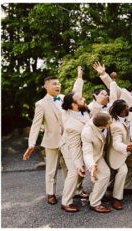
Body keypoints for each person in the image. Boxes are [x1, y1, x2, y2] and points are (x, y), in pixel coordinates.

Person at [23, 75, 69, 205]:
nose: (58, 86)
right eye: (54, 84)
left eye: (59, 83)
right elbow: (36, 125)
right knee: (51, 169)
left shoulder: (65, 98)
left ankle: (74, 190)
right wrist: (31, 144)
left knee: (69, 167)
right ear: (46, 86)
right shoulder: (41, 104)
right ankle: (51, 193)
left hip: (67, 140)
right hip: (51, 141)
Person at [57, 67, 88, 212]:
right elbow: (74, 147)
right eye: (81, 99)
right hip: (69, 146)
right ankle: (66, 202)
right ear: (73, 105)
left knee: (80, 169)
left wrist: (79, 77)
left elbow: (77, 93)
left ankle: (77, 190)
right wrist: (78, 163)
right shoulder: (70, 123)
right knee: (74, 171)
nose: (84, 99)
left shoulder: (76, 108)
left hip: (77, 145)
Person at [107, 99, 132, 210]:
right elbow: (116, 144)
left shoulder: (125, 118)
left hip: (128, 152)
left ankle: (125, 187)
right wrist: (126, 147)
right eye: (127, 107)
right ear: (122, 110)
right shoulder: (115, 125)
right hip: (117, 154)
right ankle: (117, 198)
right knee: (123, 170)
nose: (129, 108)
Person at [81, 112, 113, 213]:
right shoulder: (87, 132)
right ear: (102, 125)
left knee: (105, 175)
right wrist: (92, 165)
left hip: (102, 152)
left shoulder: (101, 118)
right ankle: (94, 203)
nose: (111, 122)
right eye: (109, 122)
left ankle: (94, 195)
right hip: (95, 156)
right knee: (104, 175)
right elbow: (87, 153)